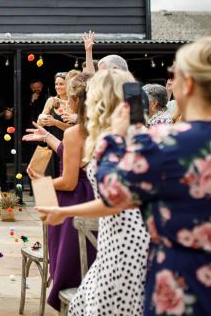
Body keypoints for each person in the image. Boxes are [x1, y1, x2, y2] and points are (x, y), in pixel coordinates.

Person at [48, 35, 211, 314]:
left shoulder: (166, 141)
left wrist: (116, 138)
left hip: (189, 290)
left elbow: (112, 188)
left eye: (175, 76)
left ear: (190, 85)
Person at [38, 68, 150, 315]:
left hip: (125, 241)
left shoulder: (117, 140)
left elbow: (116, 200)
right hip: (120, 235)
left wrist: (60, 208)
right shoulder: (131, 135)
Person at [24, 73, 96, 311]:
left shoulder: (75, 132)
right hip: (93, 197)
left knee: (69, 260)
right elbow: (71, 152)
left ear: (76, 100)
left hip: (73, 200)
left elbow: (68, 181)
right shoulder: (99, 128)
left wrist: (42, 183)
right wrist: (47, 137)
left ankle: (72, 302)